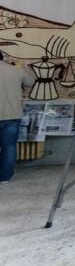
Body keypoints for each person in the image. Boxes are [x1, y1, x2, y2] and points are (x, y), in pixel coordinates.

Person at [0, 51, 34, 184]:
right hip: (12, 115)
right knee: (9, 147)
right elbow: (30, 82)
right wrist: (20, 69)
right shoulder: (15, 70)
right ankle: (4, 177)